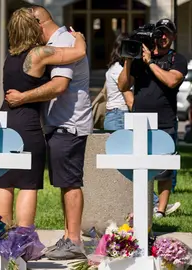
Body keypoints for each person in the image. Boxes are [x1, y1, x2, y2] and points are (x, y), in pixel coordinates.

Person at [5, 5, 92, 260]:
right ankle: (69, 238)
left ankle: (74, 241)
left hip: (70, 122)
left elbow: (59, 85)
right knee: (64, 182)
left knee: (70, 182)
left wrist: (23, 97)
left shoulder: (63, 41)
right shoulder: (55, 42)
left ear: (39, 25)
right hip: (58, 122)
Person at [118, 18, 186, 219]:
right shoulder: (141, 58)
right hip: (139, 121)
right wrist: (129, 60)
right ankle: (140, 205)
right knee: (138, 167)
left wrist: (151, 63)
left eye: (167, 33)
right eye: (160, 33)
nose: (163, 37)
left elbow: (172, 81)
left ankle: (160, 210)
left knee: (165, 168)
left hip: (165, 120)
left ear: (173, 37)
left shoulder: (177, 59)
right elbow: (123, 86)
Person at [104, 33, 134, 131]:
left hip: (117, 116)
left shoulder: (116, 67)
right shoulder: (118, 69)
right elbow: (130, 101)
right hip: (120, 117)